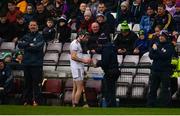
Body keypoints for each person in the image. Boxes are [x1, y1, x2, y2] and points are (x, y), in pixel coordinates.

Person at [18, 20, 44, 106]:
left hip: (36, 64)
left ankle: (36, 101)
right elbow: (19, 44)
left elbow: (37, 47)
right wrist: (30, 44)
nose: (33, 26)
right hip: (27, 63)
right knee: (27, 84)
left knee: (36, 84)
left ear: (37, 27)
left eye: (34, 25)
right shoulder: (26, 36)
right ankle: (26, 101)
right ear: (29, 26)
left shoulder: (40, 36)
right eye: (31, 25)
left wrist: (27, 45)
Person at [147, 30, 175, 107]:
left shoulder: (170, 46)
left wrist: (157, 50)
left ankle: (164, 105)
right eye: (160, 36)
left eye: (162, 36)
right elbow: (151, 56)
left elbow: (166, 56)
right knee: (152, 89)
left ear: (166, 37)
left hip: (165, 71)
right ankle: (150, 105)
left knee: (165, 89)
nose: (161, 37)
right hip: (155, 70)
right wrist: (159, 53)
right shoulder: (157, 44)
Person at [92, 42, 120, 107]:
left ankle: (110, 105)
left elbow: (105, 63)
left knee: (108, 90)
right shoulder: (112, 48)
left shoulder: (106, 50)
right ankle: (113, 105)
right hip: (114, 71)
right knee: (112, 90)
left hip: (110, 72)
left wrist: (98, 62)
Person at [70, 30, 92, 107]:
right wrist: (84, 60)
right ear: (80, 36)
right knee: (79, 88)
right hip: (77, 68)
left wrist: (83, 69)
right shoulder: (75, 44)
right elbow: (73, 57)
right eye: (86, 38)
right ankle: (76, 105)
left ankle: (73, 105)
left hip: (78, 68)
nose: (87, 39)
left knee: (75, 88)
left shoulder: (78, 43)